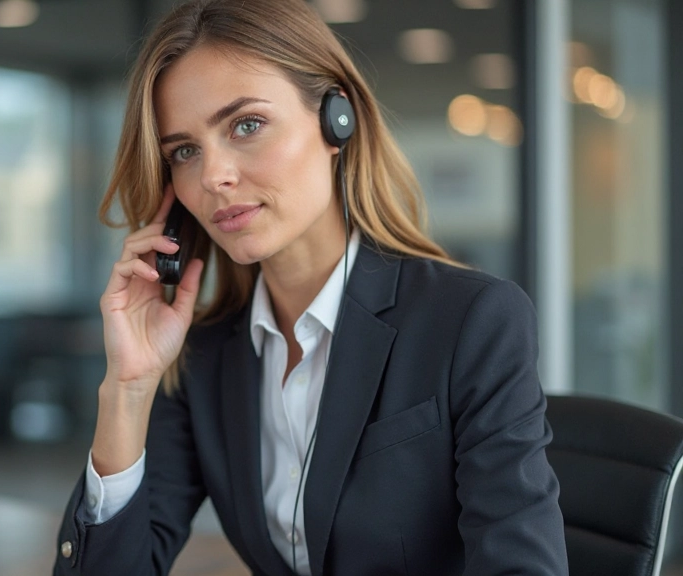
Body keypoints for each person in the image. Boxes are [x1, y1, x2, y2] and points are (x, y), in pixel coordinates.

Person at [54, 0, 568, 574]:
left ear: (335, 120)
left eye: (246, 125)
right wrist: (127, 387)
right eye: (184, 151)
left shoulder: (472, 321)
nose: (213, 176)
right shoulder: (204, 354)